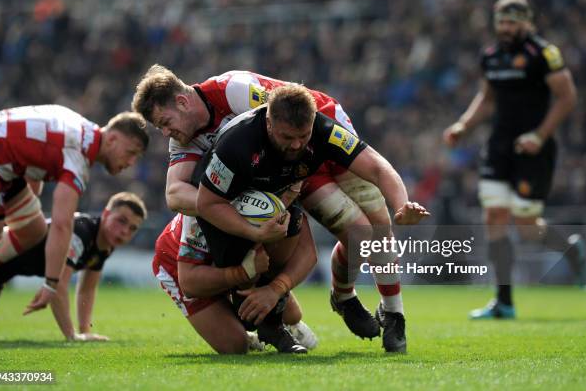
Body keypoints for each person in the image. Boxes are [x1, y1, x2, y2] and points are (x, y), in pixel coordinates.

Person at [132, 67, 414, 350]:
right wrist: (234, 204)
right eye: (160, 128)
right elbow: (175, 195)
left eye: (165, 122)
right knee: (360, 235)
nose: (166, 132)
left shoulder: (234, 90)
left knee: (379, 226)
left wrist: (403, 204)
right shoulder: (187, 141)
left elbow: (292, 122)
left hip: (319, 134)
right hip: (287, 173)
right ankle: (341, 299)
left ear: (181, 102)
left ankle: (379, 307)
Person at [195, 85, 429, 353]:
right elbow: (206, 203)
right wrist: (254, 234)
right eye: (287, 137)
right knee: (248, 296)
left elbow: (376, 166)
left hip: (285, 194)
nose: (296, 144)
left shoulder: (321, 129)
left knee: (343, 233)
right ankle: (265, 316)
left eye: (303, 136)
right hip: (227, 206)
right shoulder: (239, 143)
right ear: (269, 123)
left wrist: (402, 204)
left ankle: (330, 302)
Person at [443, 0, 583, 319]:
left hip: (533, 150)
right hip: (498, 147)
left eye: (512, 22)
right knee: (494, 218)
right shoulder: (491, 56)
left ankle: (571, 248)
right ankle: (503, 301)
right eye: (502, 22)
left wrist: (539, 135)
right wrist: (464, 124)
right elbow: (487, 97)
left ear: (527, 22)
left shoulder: (544, 54)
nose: (506, 28)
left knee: (526, 226)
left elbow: (567, 97)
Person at [0, 106, 149, 315]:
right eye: (131, 153)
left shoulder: (79, 126)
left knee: (34, 228)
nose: (131, 163)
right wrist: (51, 284)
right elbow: (62, 224)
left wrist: (22, 208)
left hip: (2, 157)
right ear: (112, 139)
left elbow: (32, 155)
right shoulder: (78, 156)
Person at [153, 209, 318, 354]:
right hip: (177, 260)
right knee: (235, 345)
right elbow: (189, 283)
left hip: (236, 255)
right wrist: (242, 273)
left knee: (292, 315)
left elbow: (308, 252)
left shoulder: (280, 188)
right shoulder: (199, 214)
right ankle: (244, 327)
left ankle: (268, 324)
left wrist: (276, 288)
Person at [0, 192, 146, 340]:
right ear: (105, 214)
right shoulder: (80, 231)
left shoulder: (105, 248)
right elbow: (58, 285)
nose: (125, 231)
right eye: (121, 221)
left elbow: (87, 290)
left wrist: (85, 332)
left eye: (133, 228)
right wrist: (72, 336)